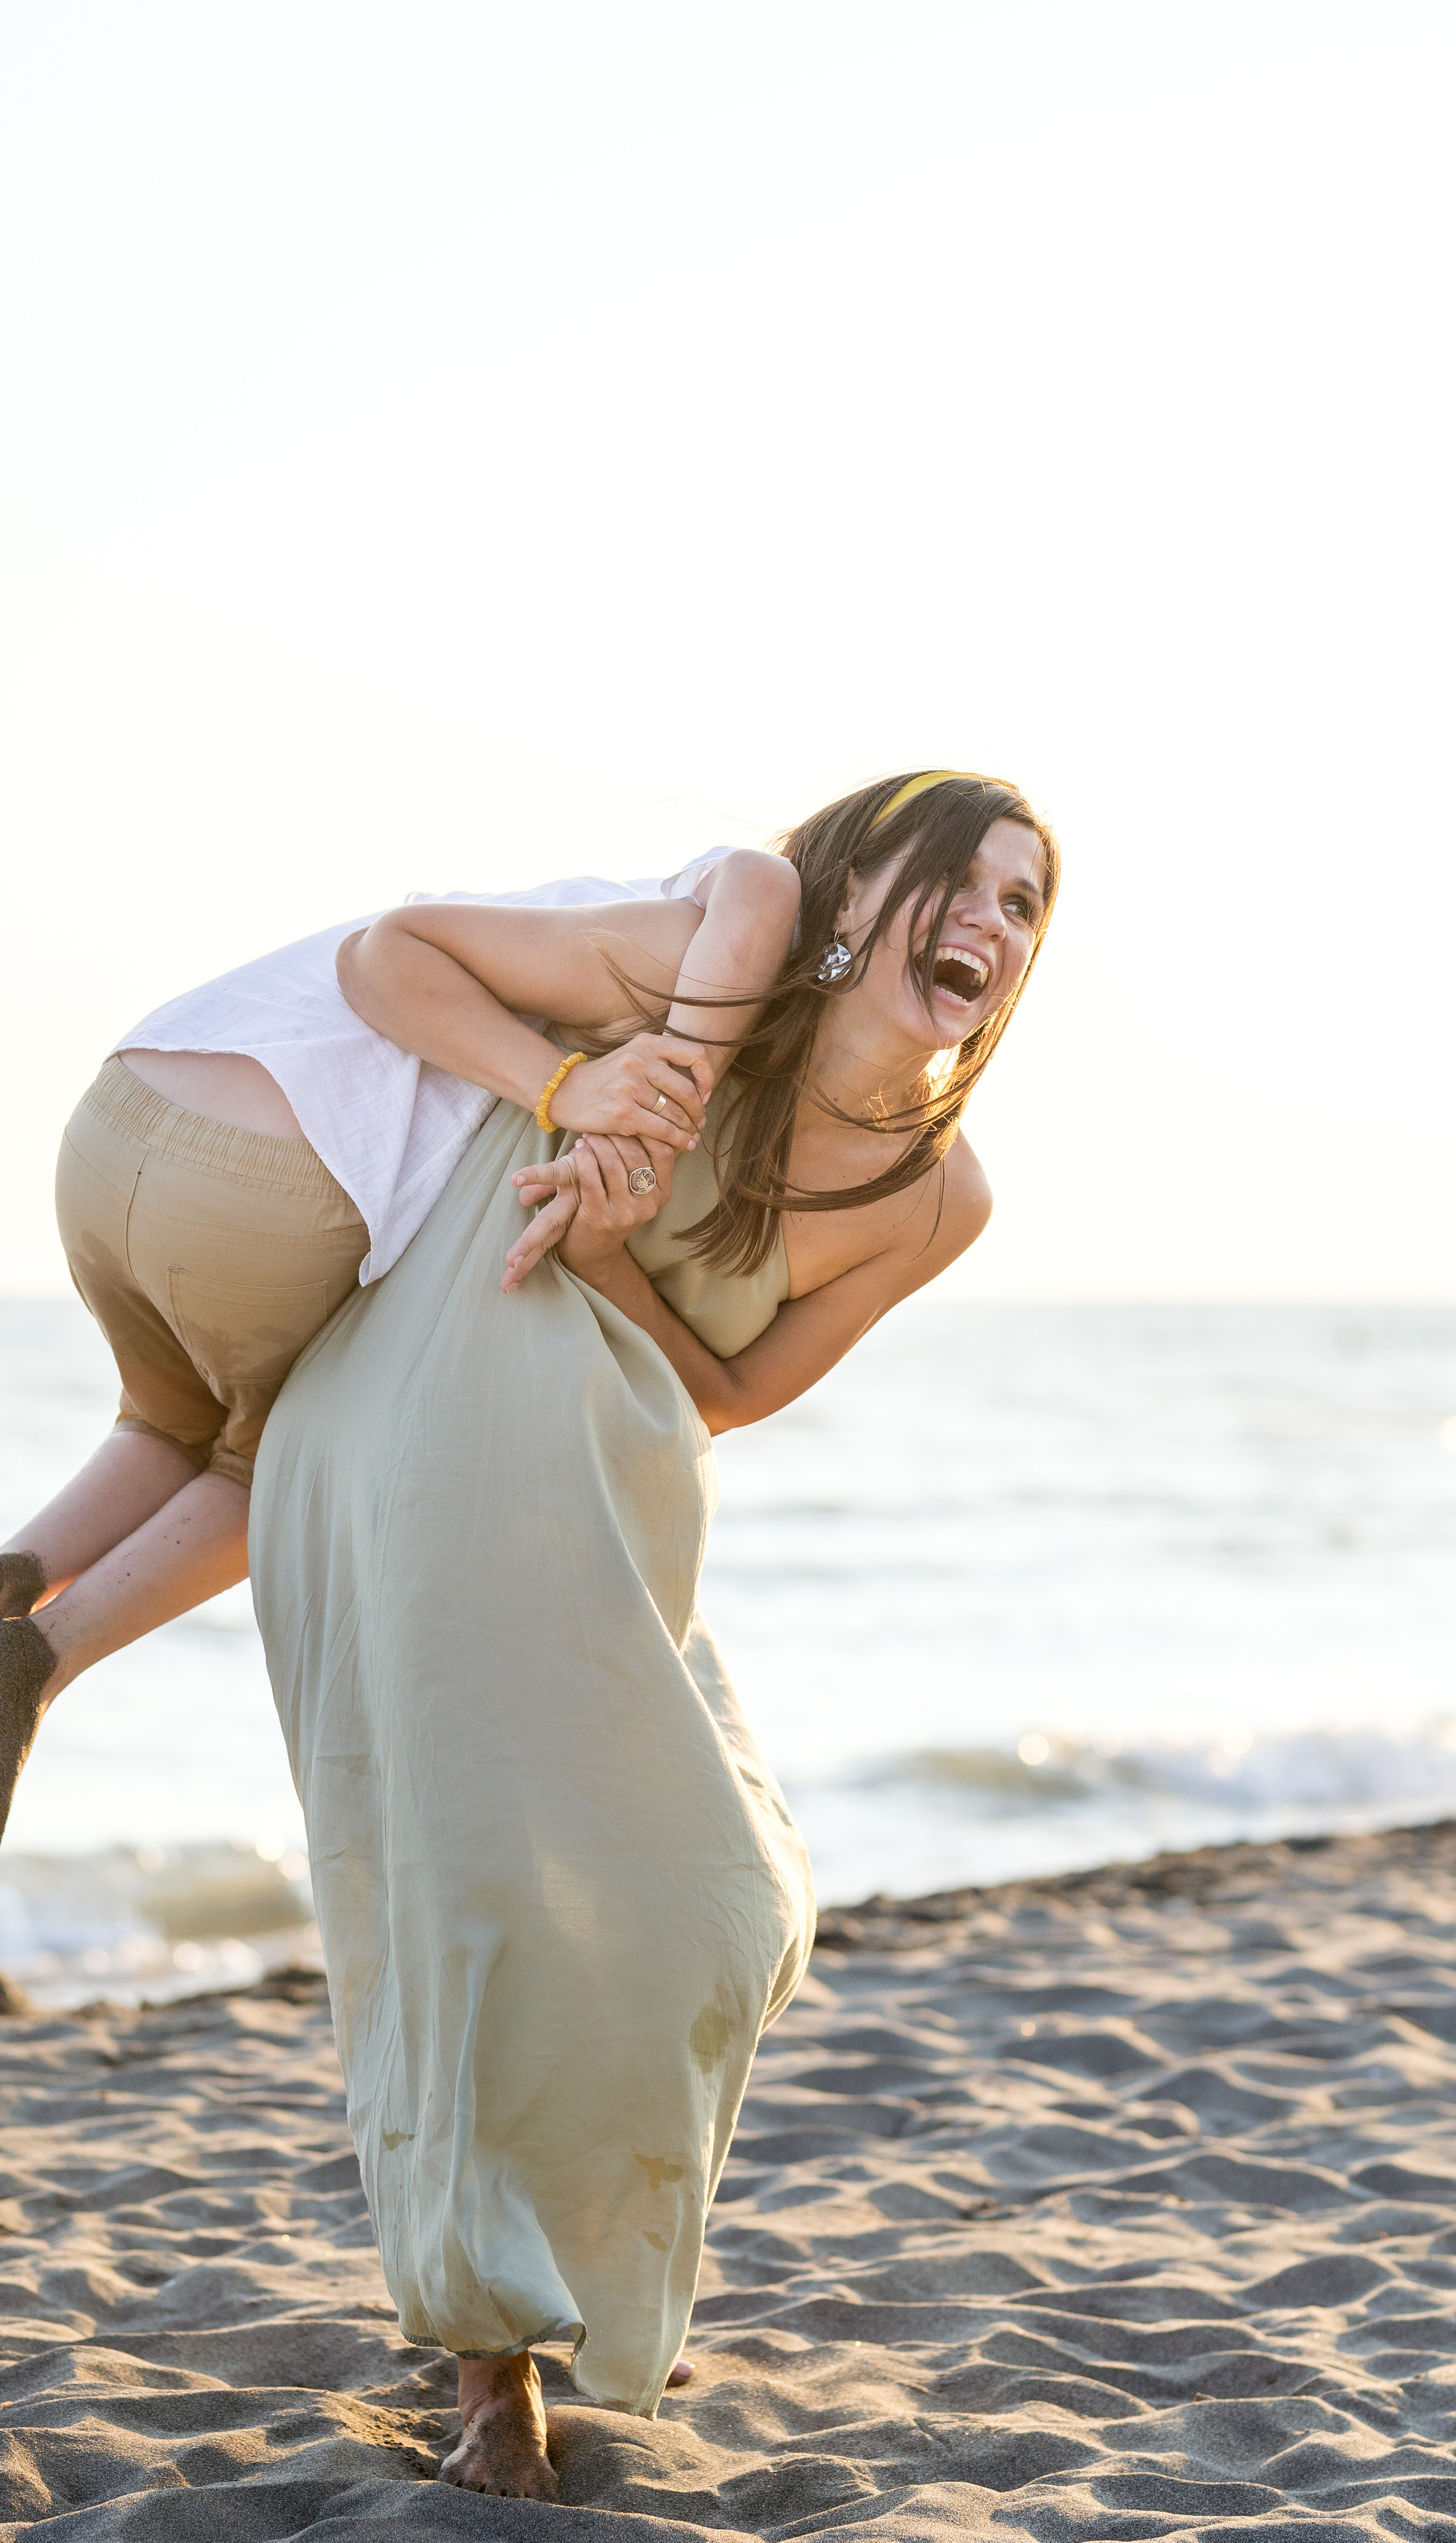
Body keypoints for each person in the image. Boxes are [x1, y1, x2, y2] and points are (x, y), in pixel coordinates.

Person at [246, 768, 1058, 2495]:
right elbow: (388, 961)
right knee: (477, 1907)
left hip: (618, 1525)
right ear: (854, 899)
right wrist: (559, 1088)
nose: (993, 923)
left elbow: (739, 1386)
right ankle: (492, 2377)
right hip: (447, 1461)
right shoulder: (694, 988)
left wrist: (612, 1247)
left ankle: (583, 2264)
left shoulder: (940, 1193)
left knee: (725, 1909)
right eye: (964, 882)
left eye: (1024, 904)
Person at [0, 848, 806, 1876]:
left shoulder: (579, 907)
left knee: (164, 1424)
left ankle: (3, 1577)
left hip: (122, 1116)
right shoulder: (694, 935)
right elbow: (755, 884)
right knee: (263, 1467)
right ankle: (39, 1657)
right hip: (277, 1173)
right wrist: (584, 1090)